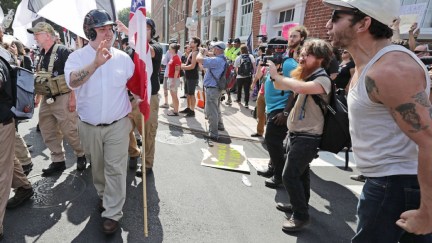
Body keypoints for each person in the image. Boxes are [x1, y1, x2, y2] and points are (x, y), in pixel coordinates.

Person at [324, 0, 432, 241]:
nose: (328, 23)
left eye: (336, 16)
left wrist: (428, 212)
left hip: (395, 185)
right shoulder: (370, 64)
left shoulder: (390, 70)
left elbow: (429, 141)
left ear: (364, 22)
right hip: (389, 183)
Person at [65, 9, 134, 234]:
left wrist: (135, 109)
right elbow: (73, 82)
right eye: (102, 29)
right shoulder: (76, 58)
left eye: (110, 28)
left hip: (117, 125)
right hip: (89, 126)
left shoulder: (123, 58)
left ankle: (112, 213)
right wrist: (95, 64)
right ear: (89, 31)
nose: (108, 33)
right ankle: (104, 196)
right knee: (98, 168)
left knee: (115, 168)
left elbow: (133, 87)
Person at [268, 39, 333, 232]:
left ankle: (301, 216)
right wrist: (274, 76)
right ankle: (299, 206)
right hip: (297, 134)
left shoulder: (322, 80)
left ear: (320, 58)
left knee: (289, 175)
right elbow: (283, 87)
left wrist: (275, 75)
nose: (302, 57)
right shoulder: (308, 77)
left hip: (309, 137)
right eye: (302, 54)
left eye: (307, 54)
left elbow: (298, 88)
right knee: (301, 174)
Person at [27, 22, 87, 176]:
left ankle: (81, 155)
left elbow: (74, 76)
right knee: (48, 131)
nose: (34, 36)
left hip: (63, 97)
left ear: (47, 35)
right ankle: (58, 161)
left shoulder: (63, 51)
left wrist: (73, 99)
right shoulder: (42, 53)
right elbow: (42, 78)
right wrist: (39, 97)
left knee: (70, 131)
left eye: (37, 33)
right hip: (48, 98)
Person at [115, 17, 164, 177]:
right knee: (124, 130)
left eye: (146, 29)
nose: (143, 31)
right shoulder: (129, 51)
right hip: (130, 99)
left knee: (148, 134)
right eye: (140, 29)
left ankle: (147, 164)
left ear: (152, 31)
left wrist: (131, 32)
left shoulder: (156, 47)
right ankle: (134, 152)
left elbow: (147, 51)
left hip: (148, 98)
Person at [0, 46, 34, 240]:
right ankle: (23, 186)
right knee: (7, 160)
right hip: (4, 121)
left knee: (1, 172)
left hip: (2, 122)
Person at [259, 37, 298, 186]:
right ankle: (273, 168)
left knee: (272, 140)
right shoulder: (275, 63)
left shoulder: (289, 64)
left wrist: (286, 113)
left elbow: (296, 90)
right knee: (272, 141)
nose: (267, 52)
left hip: (281, 110)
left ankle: (279, 176)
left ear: (277, 49)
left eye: (269, 49)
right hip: (273, 107)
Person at [196, 41, 227, 141]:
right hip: (217, 88)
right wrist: (207, 52)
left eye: (213, 48)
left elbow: (199, 59)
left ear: (217, 50)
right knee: (216, 108)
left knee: (211, 111)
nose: (212, 50)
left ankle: (213, 133)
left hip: (212, 89)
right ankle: (220, 125)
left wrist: (201, 52)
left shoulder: (216, 60)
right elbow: (211, 55)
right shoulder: (222, 58)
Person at [180, 36, 201, 117]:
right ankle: (188, 108)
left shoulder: (195, 52)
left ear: (196, 44)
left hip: (192, 76)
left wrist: (182, 67)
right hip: (188, 75)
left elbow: (192, 66)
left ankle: (192, 111)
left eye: (192, 42)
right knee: (188, 94)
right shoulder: (192, 52)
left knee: (191, 94)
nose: (190, 43)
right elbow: (188, 64)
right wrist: (182, 65)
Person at [233, 44, 255, 109]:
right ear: (247, 49)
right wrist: (253, 73)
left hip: (240, 76)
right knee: (247, 90)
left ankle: (239, 100)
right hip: (248, 76)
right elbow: (254, 66)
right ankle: (246, 103)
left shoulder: (238, 57)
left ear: (241, 50)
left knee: (239, 89)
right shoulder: (250, 56)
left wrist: (238, 73)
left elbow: (235, 67)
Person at [166, 43, 182, 116]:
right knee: (173, 95)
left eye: (170, 48)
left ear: (173, 49)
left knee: (174, 95)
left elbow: (177, 70)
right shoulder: (173, 57)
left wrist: (174, 81)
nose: (169, 49)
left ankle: (176, 111)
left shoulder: (176, 58)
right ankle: (175, 109)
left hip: (173, 79)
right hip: (171, 78)